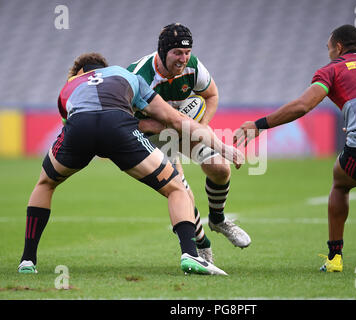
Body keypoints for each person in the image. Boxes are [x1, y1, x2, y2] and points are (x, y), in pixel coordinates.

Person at [18, 52, 244, 275]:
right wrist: (223, 148)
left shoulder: (69, 86)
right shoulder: (126, 75)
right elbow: (175, 119)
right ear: (104, 67)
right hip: (118, 127)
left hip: (80, 128)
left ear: (80, 72)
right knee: (176, 187)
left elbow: (69, 124)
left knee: (45, 183)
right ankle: (191, 255)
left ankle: (28, 260)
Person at [234, 24, 356, 272]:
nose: (328, 53)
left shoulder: (333, 69)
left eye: (328, 48)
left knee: (341, 183)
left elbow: (303, 105)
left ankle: (335, 258)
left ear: (338, 47)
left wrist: (259, 125)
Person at [127, 23, 251, 263]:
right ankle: (202, 244)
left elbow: (212, 95)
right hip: (153, 137)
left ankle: (218, 220)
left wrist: (201, 126)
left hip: (182, 126)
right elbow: (123, 122)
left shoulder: (193, 67)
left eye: (187, 52)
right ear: (163, 52)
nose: (183, 59)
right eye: (177, 53)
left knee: (220, 167)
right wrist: (163, 126)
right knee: (181, 191)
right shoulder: (138, 77)